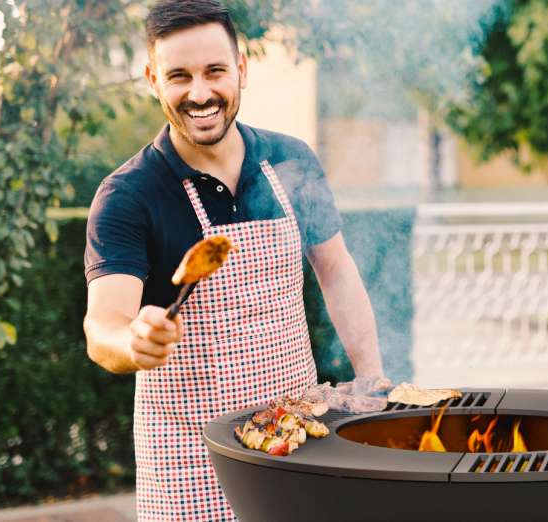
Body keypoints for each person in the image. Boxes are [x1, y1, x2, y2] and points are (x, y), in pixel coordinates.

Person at [82, 1, 384, 519]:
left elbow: (336, 272)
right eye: (179, 76)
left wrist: (372, 380)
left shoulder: (289, 160)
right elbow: (102, 326)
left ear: (241, 70)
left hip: (295, 441)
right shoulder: (129, 195)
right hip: (191, 461)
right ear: (153, 79)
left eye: (214, 71)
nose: (199, 94)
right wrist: (131, 341)